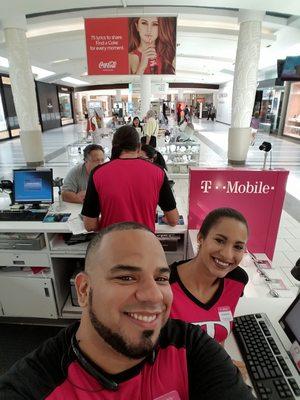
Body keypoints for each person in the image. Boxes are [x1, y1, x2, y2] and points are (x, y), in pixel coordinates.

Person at [0, 222, 255, 399]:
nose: (154, 295)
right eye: (126, 277)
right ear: (84, 290)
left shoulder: (190, 347)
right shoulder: (34, 386)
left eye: (161, 278)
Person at [170, 208, 249, 344]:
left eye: (238, 247)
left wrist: (222, 362)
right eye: (220, 240)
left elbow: (218, 337)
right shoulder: (164, 283)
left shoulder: (238, 280)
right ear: (201, 238)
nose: (227, 255)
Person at [81, 125, 179, 232]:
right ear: (139, 147)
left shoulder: (97, 173)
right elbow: (173, 219)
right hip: (145, 243)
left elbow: (90, 225)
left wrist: (107, 223)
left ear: (114, 146)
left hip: (110, 244)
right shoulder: (158, 172)